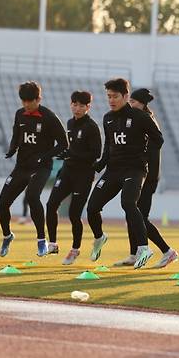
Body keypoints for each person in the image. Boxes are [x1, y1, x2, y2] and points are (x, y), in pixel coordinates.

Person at [85, 78, 162, 269]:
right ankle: (99, 237)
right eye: (109, 96)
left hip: (134, 169)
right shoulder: (107, 118)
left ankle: (143, 249)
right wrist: (98, 165)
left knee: (128, 203)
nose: (111, 100)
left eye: (115, 96)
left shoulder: (139, 116)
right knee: (92, 208)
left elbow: (158, 139)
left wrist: (142, 156)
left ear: (126, 96)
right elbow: (109, 146)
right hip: (113, 170)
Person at [0, 81, 68, 258]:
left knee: (32, 197)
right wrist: (12, 149)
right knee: (3, 203)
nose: (26, 105)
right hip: (22, 166)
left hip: (41, 167)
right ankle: (7, 236)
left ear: (38, 99)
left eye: (30, 101)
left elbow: (64, 144)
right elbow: (16, 134)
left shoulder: (49, 117)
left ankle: (41, 240)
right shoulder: (20, 114)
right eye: (23, 101)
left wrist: (45, 156)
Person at [113, 88, 178, 268]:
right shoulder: (137, 120)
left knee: (139, 217)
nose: (130, 106)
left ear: (141, 104)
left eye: (133, 102)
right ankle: (134, 254)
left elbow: (153, 150)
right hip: (140, 174)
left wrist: (143, 170)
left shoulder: (146, 120)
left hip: (147, 176)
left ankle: (168, 251)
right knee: (131, 214)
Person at [45, 90, 102, 265]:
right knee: (51, 204)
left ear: (88, 107)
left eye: (81, 106)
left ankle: (75, 249)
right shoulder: (69, 123)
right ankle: (53, 244)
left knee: (74, 214)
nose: (77, 108)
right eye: (74, 104)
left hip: (83, 175)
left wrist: (73, 155)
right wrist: (63, 153)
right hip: (67, 171)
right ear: (71, 104)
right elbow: (71, 149)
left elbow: (96, 154)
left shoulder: (91, 127)